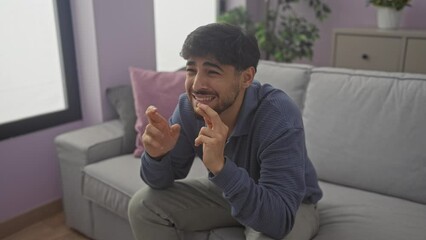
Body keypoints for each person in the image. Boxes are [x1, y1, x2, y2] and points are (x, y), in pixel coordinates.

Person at [128, 23, 322, 240]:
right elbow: (160, 182)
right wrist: (157, 156)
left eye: (212, 72)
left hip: (286, 204)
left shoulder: (279, 115)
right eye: (191, 70)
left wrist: (220, 167)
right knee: (142, 206)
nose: (197, 84)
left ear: (247, 77)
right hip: (227, 193)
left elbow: (278, 220)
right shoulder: (188, 108)